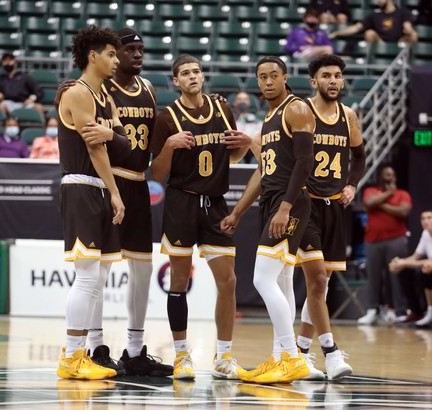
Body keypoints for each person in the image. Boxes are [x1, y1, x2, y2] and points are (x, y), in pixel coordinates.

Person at [150, 54, 252, 380]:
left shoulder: (222, 108)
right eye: (185, 73)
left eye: (196, 71)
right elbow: (157, 173)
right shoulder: (166, 118)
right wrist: (168, 145)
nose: (192, 76)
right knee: (179, 281)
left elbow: (232, 155)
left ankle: (223, 357)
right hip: (182, 202)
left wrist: (245, 145)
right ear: (176, 81)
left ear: (203, 75)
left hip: (216, 204)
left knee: (229, 280)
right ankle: (182, 356)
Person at [80, 27, 173, 377]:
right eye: (129, 49)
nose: (136, 54)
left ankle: (134, 350)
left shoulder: (148, 88)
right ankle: (96, 345)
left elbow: (151, 143)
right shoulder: (100, 90)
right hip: (108, 183)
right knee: (100, 270)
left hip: (137, 184)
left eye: (141, 48)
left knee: (143, 269)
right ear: (114, 54)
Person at [221, 55, 315, 384]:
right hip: (272, 199)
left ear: (285, 77)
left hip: (289, 202)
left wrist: (286, 206)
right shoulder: (269, 117)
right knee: (284, 280)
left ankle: (290, 356)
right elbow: (264, 172)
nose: (268, 81)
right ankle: (280, 358)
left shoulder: (296, 108)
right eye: (262, 77)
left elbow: (305, 161)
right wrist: (237, 212)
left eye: (274, 75)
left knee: (262, 279)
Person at [56, 25, 128, 380]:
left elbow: (121, 141)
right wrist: (115, 192)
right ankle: (72, 355)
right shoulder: (78, 93)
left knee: (98, 277)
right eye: (112, 54)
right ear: (93, 56)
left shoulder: (106, 98)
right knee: (86, 277)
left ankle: (79, 353)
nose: (117, 60)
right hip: (83, 185)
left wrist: (112, 132)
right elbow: (96, 146)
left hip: (97, 186)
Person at [294, 54, 365, 380]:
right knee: (318, 280)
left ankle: (300, 353)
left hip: (335, 207)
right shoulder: (301, 111)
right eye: (327, 76)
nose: (334, 81)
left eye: (338, 75)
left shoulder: (348, 115)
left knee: (319, 287)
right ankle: (331, 353)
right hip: (306, 205)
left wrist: (352, 183)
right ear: (314, 81)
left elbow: (359, 156)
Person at [358, 165, 413, 325]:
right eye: (386, 174)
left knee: (396, 276)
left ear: (396, 177)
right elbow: (368, 202)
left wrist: (379, 204)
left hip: (396, 239)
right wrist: (389, 194)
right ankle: (372, 310)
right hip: (372, 240)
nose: (389, 177)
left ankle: (397, 309)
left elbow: (403, 212)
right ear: (381, 176)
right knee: (373, 276)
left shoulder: (403, 194)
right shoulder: (371, 191)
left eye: (392, 174)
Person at [389, 210, 432, 327]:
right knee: (405, 271)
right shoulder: (425, 234)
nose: (426, 221)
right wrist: (399, 263)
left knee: (423, 271)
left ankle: (430, 310)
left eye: (429, 218)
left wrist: (404, 262)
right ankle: (416, 312)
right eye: (423, 218)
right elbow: (415, 256)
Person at [329, 0, 418, 45]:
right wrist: (337, 33)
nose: (378, 1)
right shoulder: (374, 15)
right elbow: (356, 28)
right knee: (369, 33)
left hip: (399, 43)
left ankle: (405, 59)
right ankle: (374, 57)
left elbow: (408, 25)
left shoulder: (402, 12)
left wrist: (408, 29)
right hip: (380, 43)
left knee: (413, 34)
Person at [0, 52, 44, 117]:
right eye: (5, 60)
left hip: (24, 103)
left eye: (10, 60)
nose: (8, 63)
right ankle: (5, 125)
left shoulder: (24, 77)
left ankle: (41, 126)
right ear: (2, 64)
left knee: (39, 107)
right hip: (7, 103)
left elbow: (39, 91)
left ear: (15, 63)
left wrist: (31, 98)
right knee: (0, 106)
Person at [232, 91, 263, 163]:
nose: (242, 101)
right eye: (239, 99)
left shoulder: (256, 121)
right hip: (235, 149)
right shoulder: (230, 119)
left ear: (249, 102)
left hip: (251, 150)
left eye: (245, 99)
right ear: (234, 102)